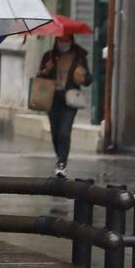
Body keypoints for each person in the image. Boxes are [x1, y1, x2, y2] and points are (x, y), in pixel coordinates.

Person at [38, 33, 92, 175]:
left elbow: (88, 79)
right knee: (55, 132)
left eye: (66, 40)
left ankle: (62, 163)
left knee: (65, 131)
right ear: (56, 41)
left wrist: (82, 76)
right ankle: (60, 157)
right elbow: (39, 76)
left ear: (71, 40)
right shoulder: (49, 56)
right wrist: (46, 70)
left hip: (70, 99)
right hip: (52, 98)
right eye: (61, 40)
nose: (63, 43)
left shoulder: (79, 57)